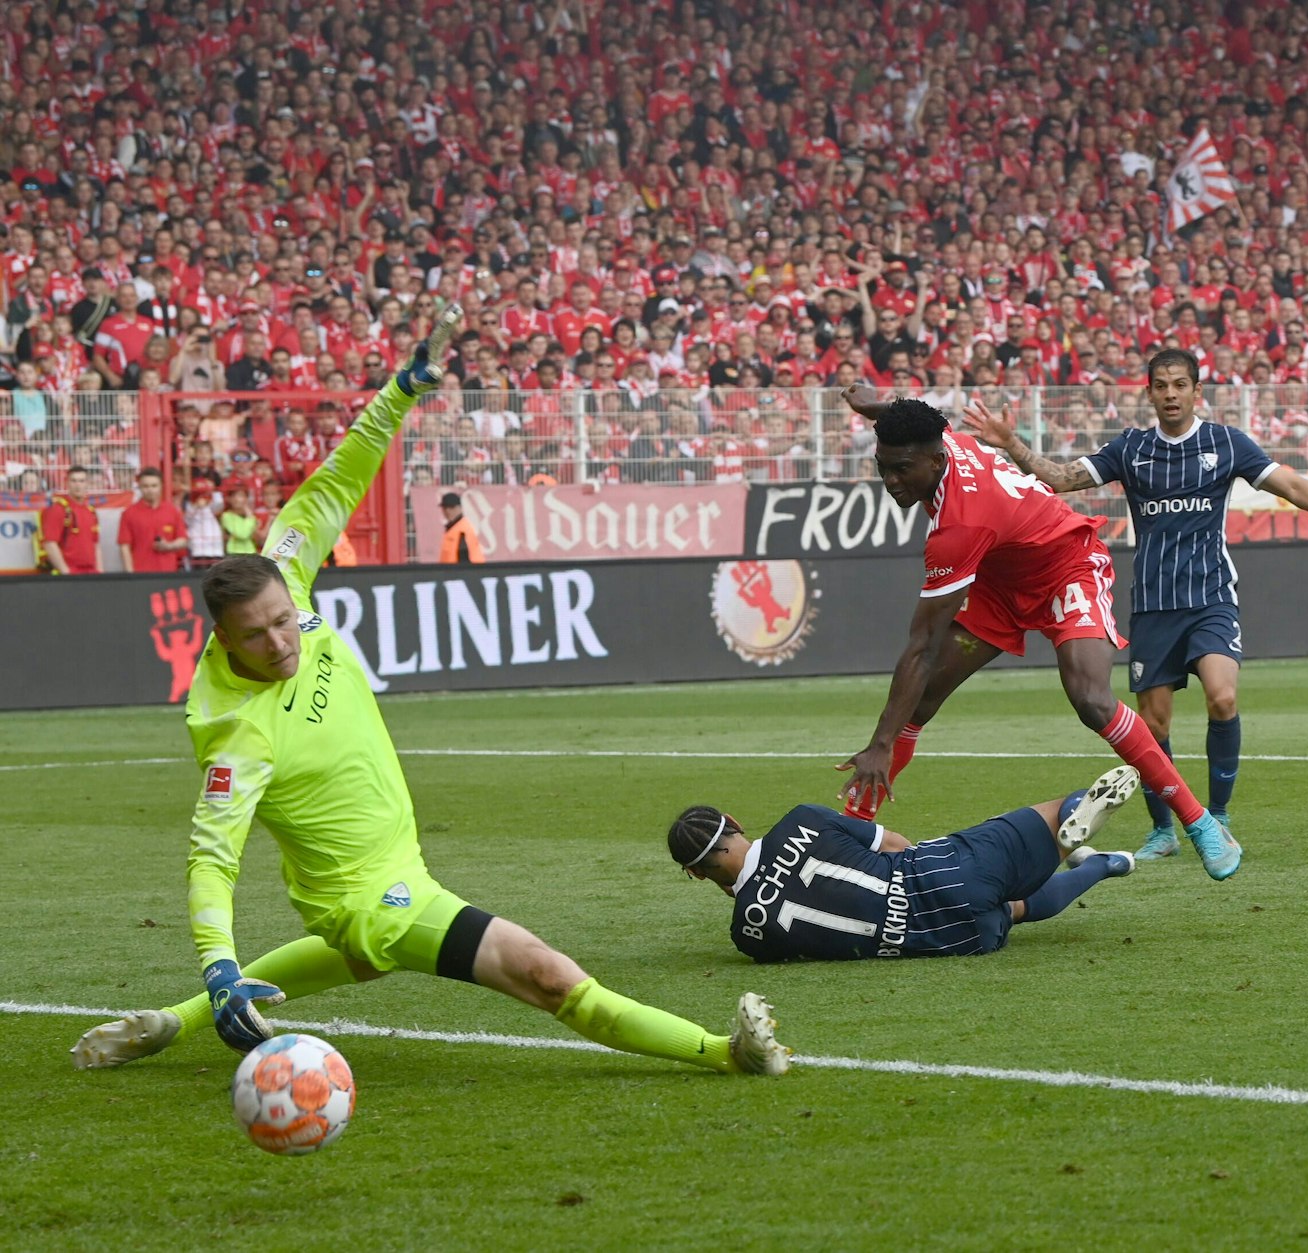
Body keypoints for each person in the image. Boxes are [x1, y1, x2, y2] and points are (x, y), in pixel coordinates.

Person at [72, 308, 788, 1079]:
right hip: (375, 898)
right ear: (222, 635)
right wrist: (218, 963)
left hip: (376, 882)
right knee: (548, 975)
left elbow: (340, 477)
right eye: (258, 636)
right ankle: (727, 1053)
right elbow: (211, 858)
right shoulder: (235, 730)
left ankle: (167, 1023)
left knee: (362, 960)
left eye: (286, 621)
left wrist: (401, 392)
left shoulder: (285, 566)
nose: (282, 642)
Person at [962, 348, 1308, 860]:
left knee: (1223, 698)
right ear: (1150, 393)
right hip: (1155, 605)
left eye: (1180, 385)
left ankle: (1218, 816)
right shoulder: (1131, 449)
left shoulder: (1225, 442)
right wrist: (1012, 446)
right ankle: (1163, 831)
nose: (1171, 394)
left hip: (1211, 597)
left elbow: (1288, 483)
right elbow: (1061, 478)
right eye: (1161, 386)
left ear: (1196, 391)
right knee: (1153, 726)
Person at [833, 382, 1241, 880]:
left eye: (902, 470)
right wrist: (876, 406)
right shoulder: (939, 438)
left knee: (1091, 699)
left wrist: (879, 743)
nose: (892, 481)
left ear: (937, 461)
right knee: (919, 704)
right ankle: (848, 833)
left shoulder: (959, 528)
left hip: (1066, 565)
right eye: (884, 468)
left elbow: (922, 646)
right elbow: (920, 416)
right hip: (1001, 583)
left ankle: (1199, 823)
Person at [672, 766, 1142, 962]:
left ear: (695, 872)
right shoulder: (802, 819)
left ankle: (1105, 865)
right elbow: (893, 843)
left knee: (1015, 909)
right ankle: (1075, 837)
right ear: (732, 821)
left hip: (948, 939)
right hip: (942, 872)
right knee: (1061, 810)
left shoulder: (748, 933)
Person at [117, 466, 188, 572]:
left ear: (161, 486)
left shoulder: (172, 511)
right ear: (139, 487)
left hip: (168, 573)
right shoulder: (129, 513)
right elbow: (124, 546)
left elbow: (183, 540)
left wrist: (168, 546)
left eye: (154, 486)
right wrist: (130, 575)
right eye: (145, 486)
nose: (150, 490)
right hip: (141, 574)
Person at [36, 466, 101, 575]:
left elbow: (95, 544)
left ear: (87, 484)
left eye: (81, 481)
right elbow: (50, 543)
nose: (78, 485)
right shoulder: (58, 509)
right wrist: (66, 572)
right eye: (73, 481)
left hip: (91, 573)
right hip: (69, 574)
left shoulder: (91, 511)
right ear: (67, 483)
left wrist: (99, 571)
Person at [438, 491, 486, 563]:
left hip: (460, 572)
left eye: (451, 507)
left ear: (459, 508)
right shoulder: (455, 528)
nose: (447, 511)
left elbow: (464, 560)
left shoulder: (462, 530)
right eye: (445, 508)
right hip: (452, 572)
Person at [219, 482, 260, 555]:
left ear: (246, 498)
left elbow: (256, 537)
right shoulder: (226, 516)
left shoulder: (252, 516)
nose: (236, 499)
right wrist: (250, 518)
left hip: (251, 553)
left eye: (240, 496)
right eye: (233, 496)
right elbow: (243, 534)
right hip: (234, 554)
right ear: (229, 499)